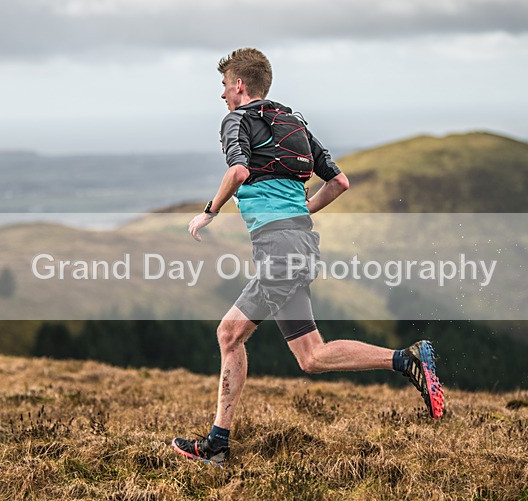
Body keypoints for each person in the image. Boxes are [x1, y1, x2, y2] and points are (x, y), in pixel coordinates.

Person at [171, 48, 444, 467]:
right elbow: (339, 182)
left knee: (245, 338)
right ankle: (405, 360)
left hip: (280, 251)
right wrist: (300, 212)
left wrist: (209, 212)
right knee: (298, 353)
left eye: (224, 85)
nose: (222, 94)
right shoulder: (293, 122)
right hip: (298, 244)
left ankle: (217, 445)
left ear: (239, 85)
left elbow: (238, 172)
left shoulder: (237, 121)